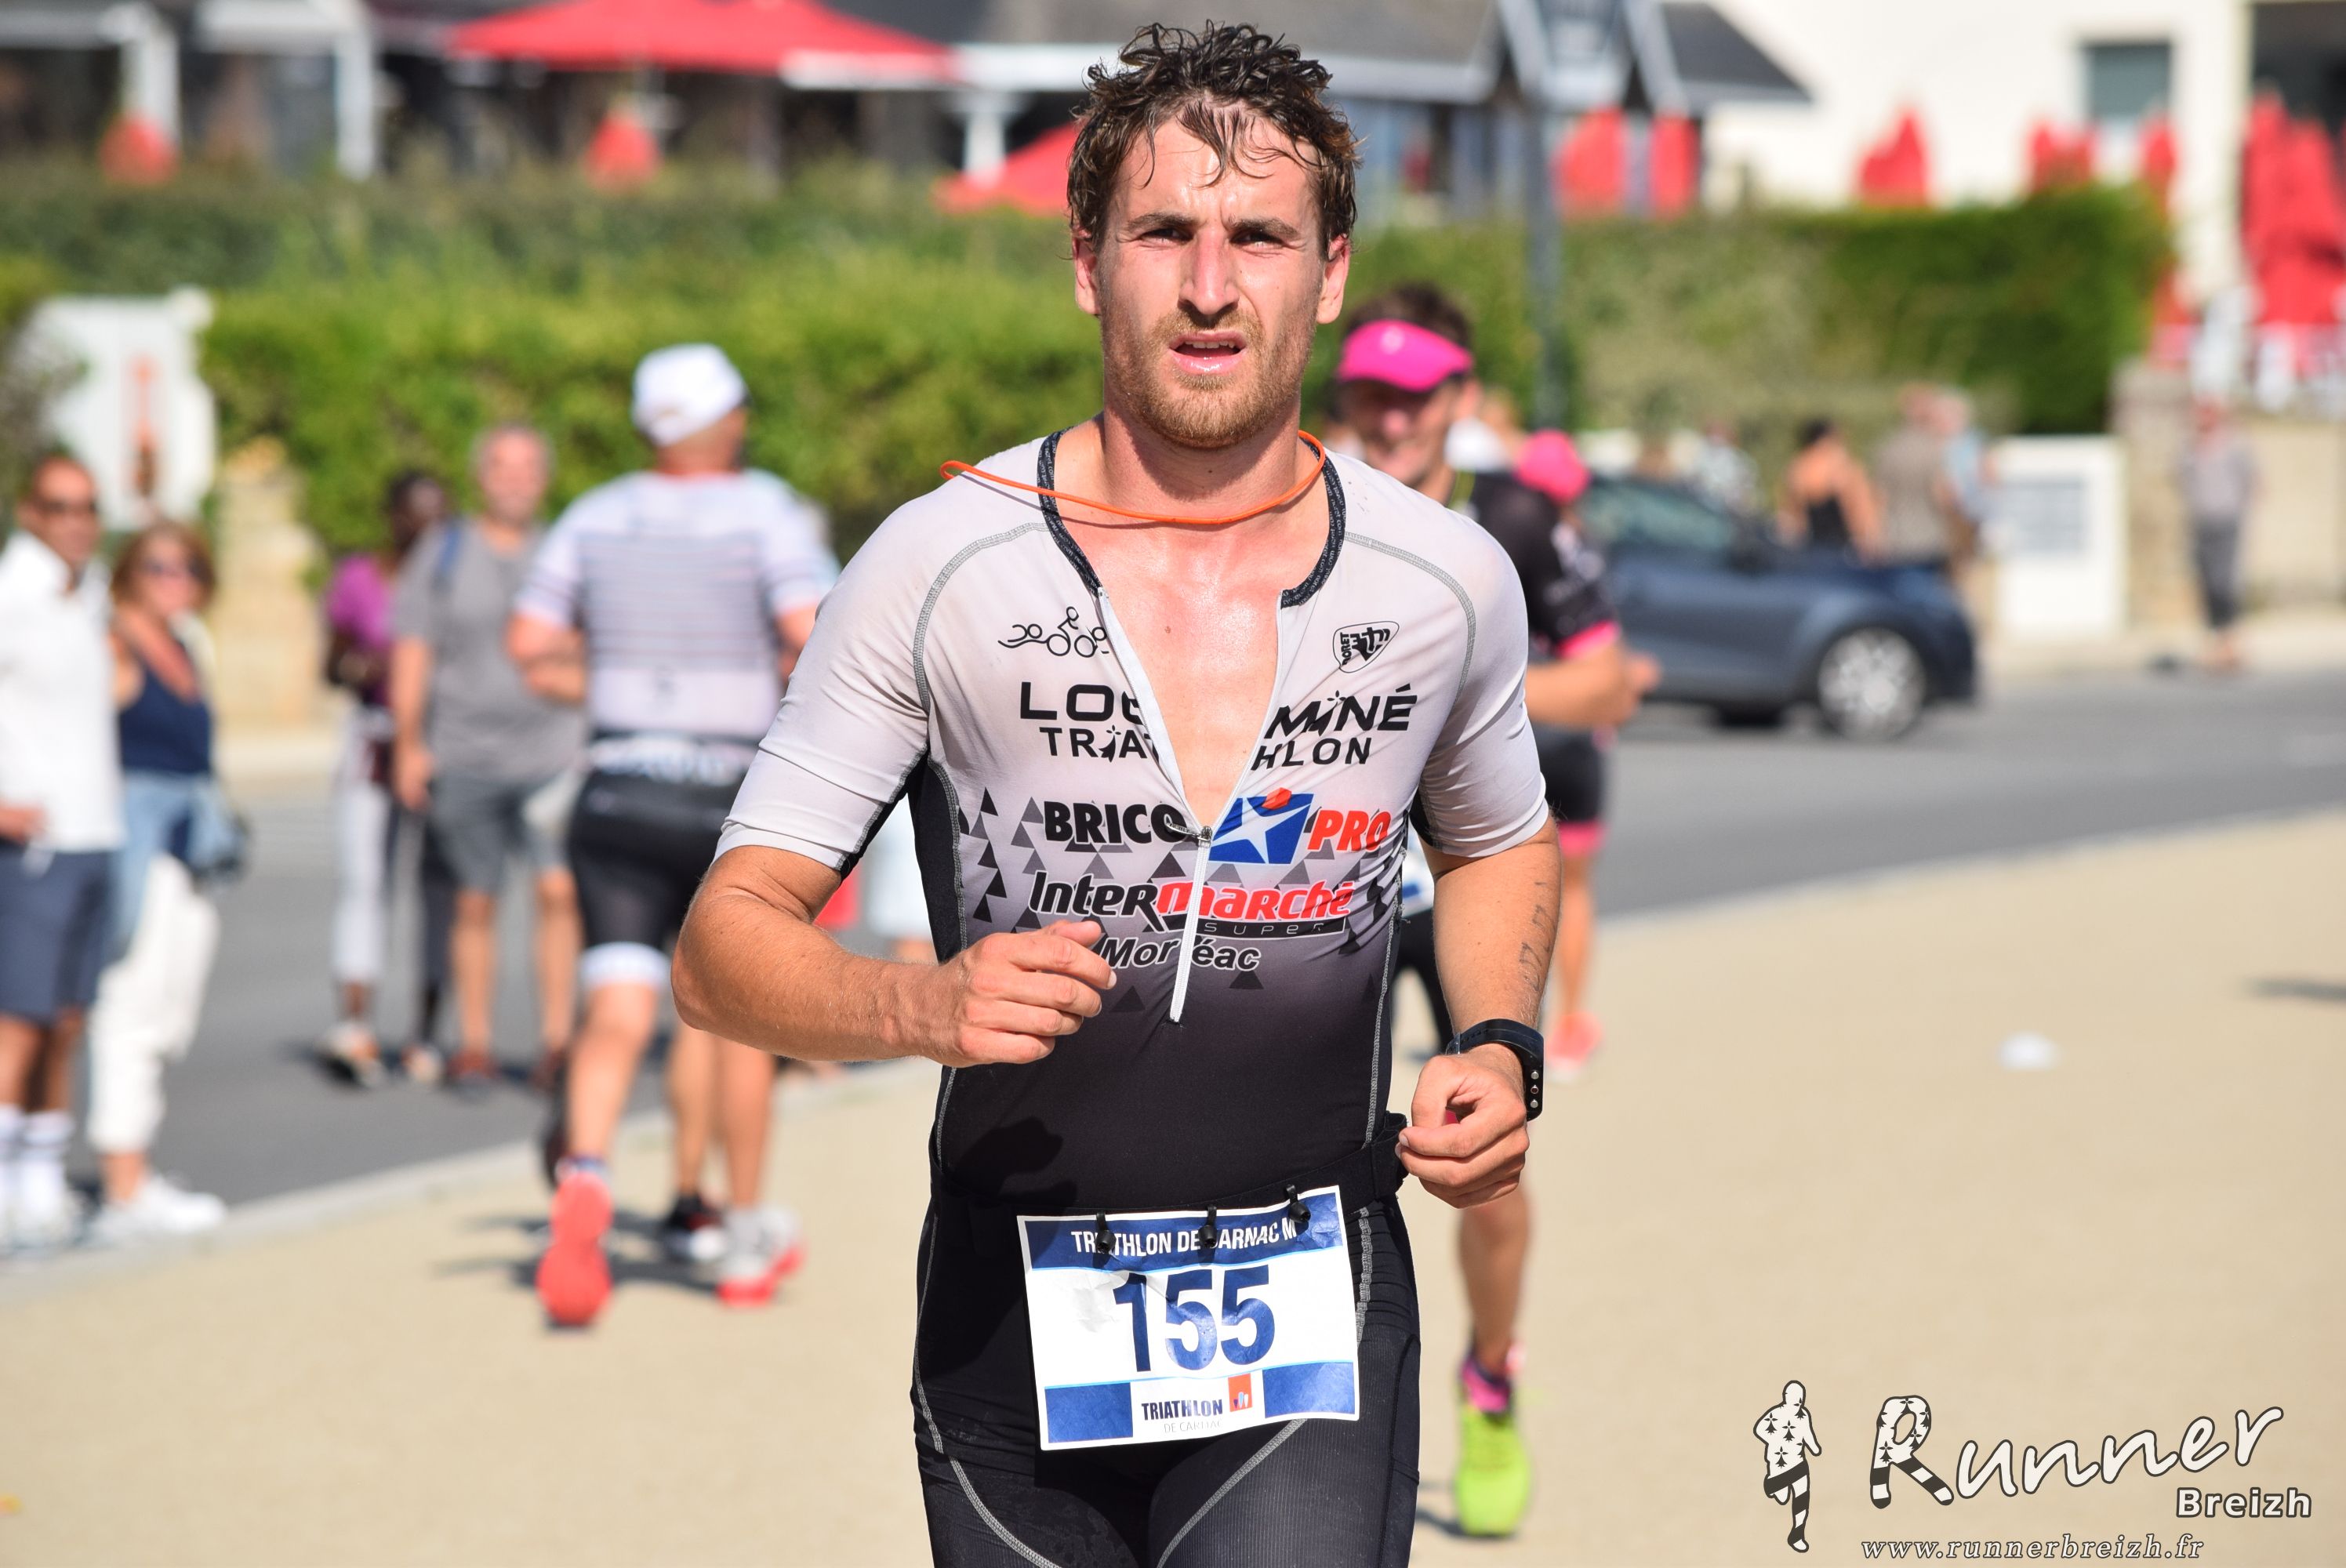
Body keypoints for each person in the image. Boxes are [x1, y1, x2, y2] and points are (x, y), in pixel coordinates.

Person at [674, 26, 1560, 1566]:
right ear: (1088, 264)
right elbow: (717, 946)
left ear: (1329, 274)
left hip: (1310, 1304)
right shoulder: (937, 565)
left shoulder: (1444, 579)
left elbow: (1495, 842)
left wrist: (1496, 1041)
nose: (1210, 286)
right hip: (1005, 1324)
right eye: (1164, 234)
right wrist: (913, 1005)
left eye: (1258, 238)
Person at [1331, 285, 1655, 1539]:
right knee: (1298, 1150)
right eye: (1370, 395)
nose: (1391, 420)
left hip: (1465, 877)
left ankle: (1489, 1379)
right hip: (1337, 884)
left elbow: (1609, 679)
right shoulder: (1300, 501)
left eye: (1415, 398)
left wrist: (1451, 693)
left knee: (1488, 1175)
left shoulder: (1515, 518)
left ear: (1458, 400)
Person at [510, 343, 833, 1312]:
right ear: (722, 420)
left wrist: (619, 675)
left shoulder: (594, 514)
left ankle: (587, 1170)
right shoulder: (765, 510)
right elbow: (813, 632)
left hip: (614, 782)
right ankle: (743, 1233)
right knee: (740, 1020)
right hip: (725, 794)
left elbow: (530, 642)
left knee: (616, 1005)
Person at [389, 425, 585, 1095]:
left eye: (528, 465)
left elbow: (593, 641)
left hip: (554, 751)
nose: (515, 478)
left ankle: (557, 1042)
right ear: (481, 476)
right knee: (474, 901)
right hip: (464, 751)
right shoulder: (443, 552)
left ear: (544, 476)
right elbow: (413, 650)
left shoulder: (566, 550)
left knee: (559, 894)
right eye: (503, 465)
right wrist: (409, 744)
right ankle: (474, 1044)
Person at [86, 523, 235, 1243]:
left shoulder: (188, 646)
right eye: (159, 567)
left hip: (191, 848)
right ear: (129, 572)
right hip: (135, 846)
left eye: (189, 568)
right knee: (133, 1003)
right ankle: (123, 1181)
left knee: (174, 1012)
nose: (175, 580)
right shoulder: (110, 645)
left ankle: (137, 1166)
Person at [0, 454, 122, 1253]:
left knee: (68, 1018)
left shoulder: (89, 591)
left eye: (88, 506)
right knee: (17, 1020)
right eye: (60, 506)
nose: (76, 521)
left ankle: (40, 1181)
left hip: (93, 831)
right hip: (34, 842)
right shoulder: (12, 594)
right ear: (29, 510)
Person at [321, 472, 456, 1087]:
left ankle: (426, 1034)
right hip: (375, 738)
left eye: (439, 518)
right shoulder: (361, 578)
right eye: (416, 517)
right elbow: (331, 664)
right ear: (393, 518)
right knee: (365, 881)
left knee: (438, 888)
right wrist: (366, 665)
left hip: (443, 742)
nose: (428, 531)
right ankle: (355, 1025)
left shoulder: (460, 579)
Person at [2177, 397, 2258, 673]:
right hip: (2202, 522)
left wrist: (2240, 509)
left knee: (2225, 583)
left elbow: (2252, 479)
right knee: (2207, 583)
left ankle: (2231, 643)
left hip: (2227, 520)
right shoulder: (2190, 447)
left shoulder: (2234, 444)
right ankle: (2214, 643)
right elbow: (2180, 478)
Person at [1872, 384, 1959, 574]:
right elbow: (1942, 497)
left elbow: (1879, 498)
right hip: (1929, 540)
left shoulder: (1888, 449)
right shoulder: (1934, 450)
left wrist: (1877, 536)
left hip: (1896, 540)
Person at [1778, 418, 1879, 558]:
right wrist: (1869, 539)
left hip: (1810, 548)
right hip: (1842, 546)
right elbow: (1861, 510)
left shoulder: (1798, 469)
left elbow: (1790, 517)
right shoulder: (1842, 468)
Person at [1688, 416, 1760, 516]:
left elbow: (1746, 488)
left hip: (1729, 511)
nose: (1716, 439)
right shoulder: (1699, 454)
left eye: (1719, 434)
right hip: (1701, 507)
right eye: (1714, 434)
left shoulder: (1738, 461)